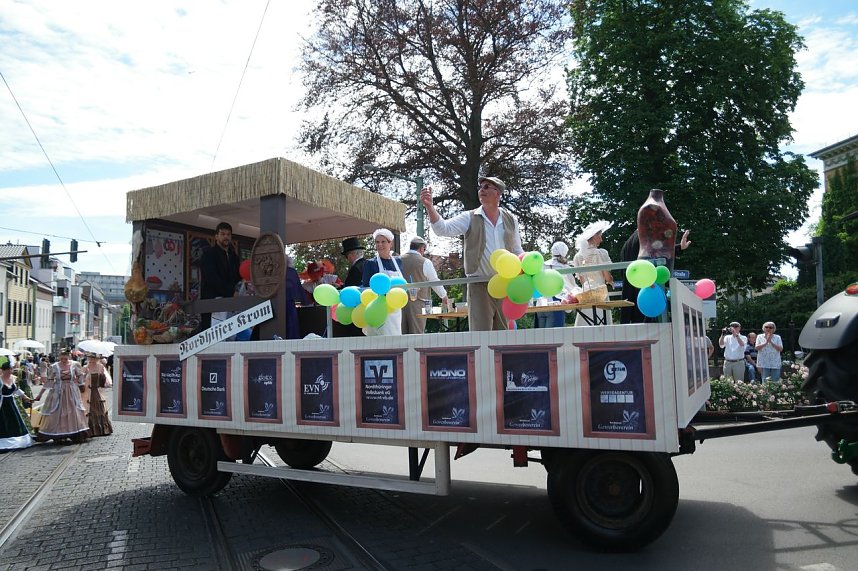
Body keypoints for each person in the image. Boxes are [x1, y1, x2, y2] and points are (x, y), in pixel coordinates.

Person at [421, 176, 524, 331]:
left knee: (504, 337)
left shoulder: (511, 219)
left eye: (487, 187)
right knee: (481, 336)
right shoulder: (470, 217)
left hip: (505, 285)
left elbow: (517, 250)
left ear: (498, 194)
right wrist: (430, 207)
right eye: (480, 187)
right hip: (479, 284)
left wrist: (527, 265)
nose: (481, 190)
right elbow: (442, 229)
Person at [619, 228, 692, 324]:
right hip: (645, 288)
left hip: (631, 290)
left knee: (632, 322)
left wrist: (679, 248)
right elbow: (658, 252)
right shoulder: (645, 236)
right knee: (648, 321)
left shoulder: (627, 243)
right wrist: (679, 248)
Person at [34, 349, 90, 444]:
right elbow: (49, 381)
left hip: (71, 391)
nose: (64, 360)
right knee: (58, 412)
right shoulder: (54, 366)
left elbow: (80, 376)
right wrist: (40, 394)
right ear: (59, 357)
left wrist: (81, 382)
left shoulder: (74, 364)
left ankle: (74, 433)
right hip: (58, 392)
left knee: (73, 411)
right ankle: (59, 433)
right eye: (62, 358)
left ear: (69, 356)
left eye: (66, 358)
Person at [361, 228, 406, 336]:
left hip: (395, 308)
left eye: (383, 242)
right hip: (378, 308)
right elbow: (366, 286)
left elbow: (402, 283)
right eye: (377, 242)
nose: (380, 245)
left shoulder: (398, 261)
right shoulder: (371, 263)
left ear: (390, 243)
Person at [400, 236, 448, 334]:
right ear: (421, 248)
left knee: (401, 335)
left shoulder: (398, 260)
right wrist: (443, 295)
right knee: (416, 335)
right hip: (418, 303)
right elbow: (434, 281)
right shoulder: (425, 262)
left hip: (399, 302)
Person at [199, 221, 241, 330]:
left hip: (229, 304)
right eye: (223, 234)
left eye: (228, 234)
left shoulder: (234, 257)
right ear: (216, 236)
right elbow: (212, 278)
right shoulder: (209, 254)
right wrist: (231, 292)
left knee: (231, 335)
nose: (226, 237)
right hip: (212, 302)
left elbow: (238, 276)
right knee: (212, 335)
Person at [572, 221, 615, 326]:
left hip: (586, 293)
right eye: (600, 236)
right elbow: (606, 276)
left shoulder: (577, 256)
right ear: (594, 237)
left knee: (585, 323)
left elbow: (582, 280)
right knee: (603, 321)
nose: (601, 239)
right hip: (600, 292)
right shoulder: (601, 253)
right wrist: (611, 281)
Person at [536, 241, 576, 328]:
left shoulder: (543, 265)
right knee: (554, 338)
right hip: (555, 304)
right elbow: (572, 286)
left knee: (541, 337)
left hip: (540, 304)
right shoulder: (564, 267)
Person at [334, 237, 367, 337]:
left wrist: (341, 288)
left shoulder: (356, 268)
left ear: (352, 254)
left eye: (347, 255)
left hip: (354, 307)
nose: (347, 258)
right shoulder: (367, 263)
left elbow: (351, 287)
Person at [1, 361, 34, 450]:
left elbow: (16, 390)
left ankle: (19, 440)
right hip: (2, 404)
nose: (9, 372)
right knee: (4, 422)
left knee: (15, 420)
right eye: (7, 371)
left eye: (10, 370)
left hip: (12, 403)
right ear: (3, 371)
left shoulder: (13, 378)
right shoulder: (0, 380)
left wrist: (26, 397)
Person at [82, 353, 113, 437]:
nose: (92, 359)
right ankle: (90, 429)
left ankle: (101, 429)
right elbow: (80, 380)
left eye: (94, 358)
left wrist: (102, 375)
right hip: (88, 392)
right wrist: (85, 376)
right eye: (90, 358)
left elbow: (105, 381)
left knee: (99, 409)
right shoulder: (85, 368)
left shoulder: (101, 367)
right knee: (88, 409)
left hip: (97, 391)